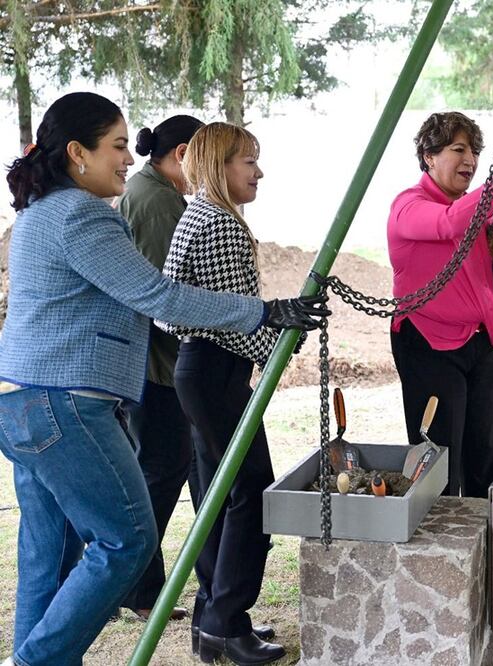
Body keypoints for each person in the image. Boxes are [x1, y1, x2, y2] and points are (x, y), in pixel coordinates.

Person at [0, 93, 327, 666]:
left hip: (21, 402)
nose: (131, 157)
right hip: (64, 404)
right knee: (126, 541)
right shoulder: (80, 215)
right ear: (78, 153)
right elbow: (156, 295)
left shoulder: (37, 213)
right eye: (119, 146)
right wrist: (263, 312)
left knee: (48, 550)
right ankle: (38, 660)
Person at [161, 121, 314, 665]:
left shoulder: (196, 213)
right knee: (250, 492)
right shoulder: (220, 222)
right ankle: (228, 621)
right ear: (218, 165)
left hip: (197, 370)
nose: (259, 171)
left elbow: (206, 306)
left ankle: (212, 618)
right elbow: (232, 319)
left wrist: (274, 324)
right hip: (217, 369)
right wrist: (283, 332)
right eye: (248, 161)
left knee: (215, 498)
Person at [388, 112, 493, 497]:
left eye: (474, 151)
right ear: (428, 156)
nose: (471, 160)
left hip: (476, 346)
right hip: (428, 345)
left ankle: (487, 543)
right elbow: (447, 224)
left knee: (483, 455)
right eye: (458, 149)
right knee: (440, 463)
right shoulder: (408, 206)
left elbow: (482, 280)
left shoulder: (473, 211)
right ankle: (443, 551)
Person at [114, 114, 204, 623]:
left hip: (162, 365)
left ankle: (149, 585)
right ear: (185, 153)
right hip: (158, 368)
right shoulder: (156, 201)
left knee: (180, 469)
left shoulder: (157, 193)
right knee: (160, 470)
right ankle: (139, 587)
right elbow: (161, 296)